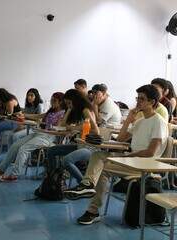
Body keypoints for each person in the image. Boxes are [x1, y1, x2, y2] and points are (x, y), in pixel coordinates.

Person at [67, 84, 168, 225]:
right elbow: (120, 139)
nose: (138, 101)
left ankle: (92, 210)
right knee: (98, 156)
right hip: (132, 160)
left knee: (103, 168)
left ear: (152, 102)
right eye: (137, 98)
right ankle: (87, 186)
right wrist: (128, 120)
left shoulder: (158, 121)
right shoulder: (140, 121)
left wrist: (127, 157)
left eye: (142, 99)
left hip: (145, 165)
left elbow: (151, 152)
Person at [0, 92, 65, 182]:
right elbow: (38, 116)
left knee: (24, 149)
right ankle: (1, 169)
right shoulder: (51, 111)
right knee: (16, 145)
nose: (52, 102)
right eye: (51, 100)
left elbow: (56, 129)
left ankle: (14, 175)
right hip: (40, 133)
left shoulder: (62, 114)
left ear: (61, 102)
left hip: (50, 137)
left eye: (54, 101)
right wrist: (24, 115)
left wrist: (43, 127)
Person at [46, 89, 99, 184]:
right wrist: (69, 110)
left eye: (70, 103)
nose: (68, 106)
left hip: (90, 147)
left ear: (76, 101)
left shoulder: (86, 110)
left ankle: (84, 184)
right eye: (67, 104)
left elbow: (96, 131)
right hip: (80, 145)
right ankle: (52, 178)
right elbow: (62, 126)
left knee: (66, 160)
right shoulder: (75, 110)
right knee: (51, 151)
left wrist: (76, 128)